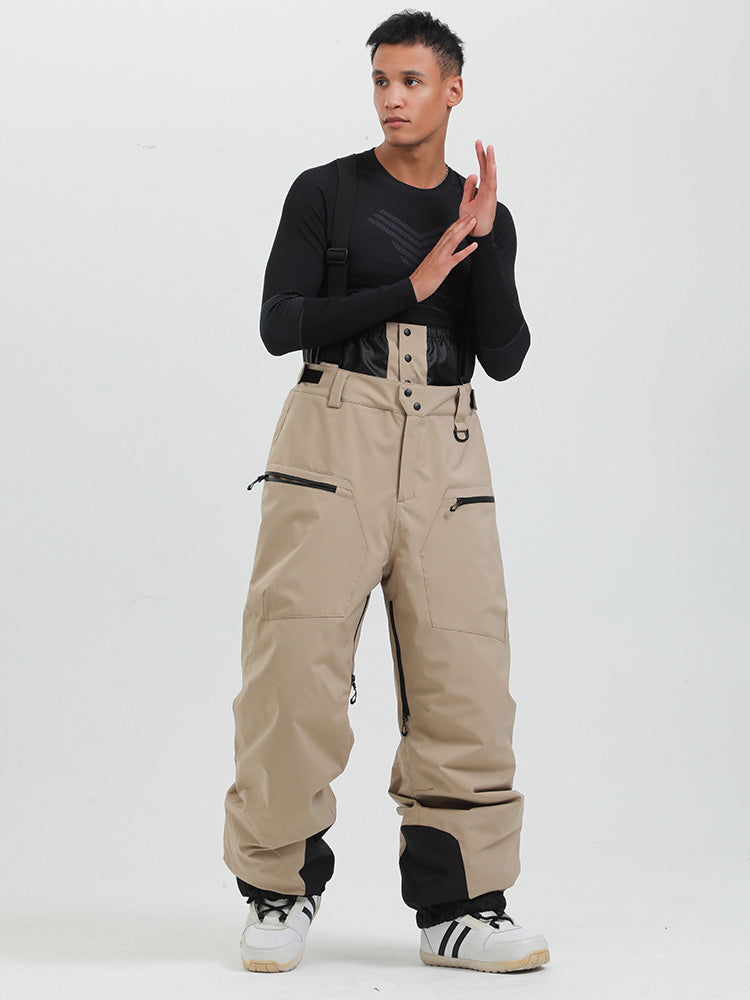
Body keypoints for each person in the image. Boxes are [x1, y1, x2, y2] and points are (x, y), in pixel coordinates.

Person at [223, 9, 550, 975]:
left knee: (466, 672)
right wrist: (410, 286)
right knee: (294, 663)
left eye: (411, 80)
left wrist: (483, 244)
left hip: (448, 444)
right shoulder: (326, 192)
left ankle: (462, 910)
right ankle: (277, 889)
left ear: (454, 90)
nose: (393, 98)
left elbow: (506, 355)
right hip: (334, 435)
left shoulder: (482, 213)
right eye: (380, 80)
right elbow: (280, 323)